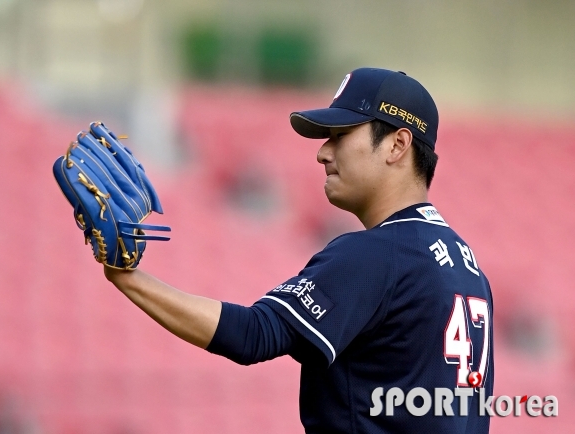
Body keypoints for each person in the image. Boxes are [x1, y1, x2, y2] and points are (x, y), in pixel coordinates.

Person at [102, 67, 494, 433]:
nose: (323, 152)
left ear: (397, 144)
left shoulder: (377, 254)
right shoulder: (469, 268)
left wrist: (128, 278)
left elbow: (252, 335)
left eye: (342, 135)